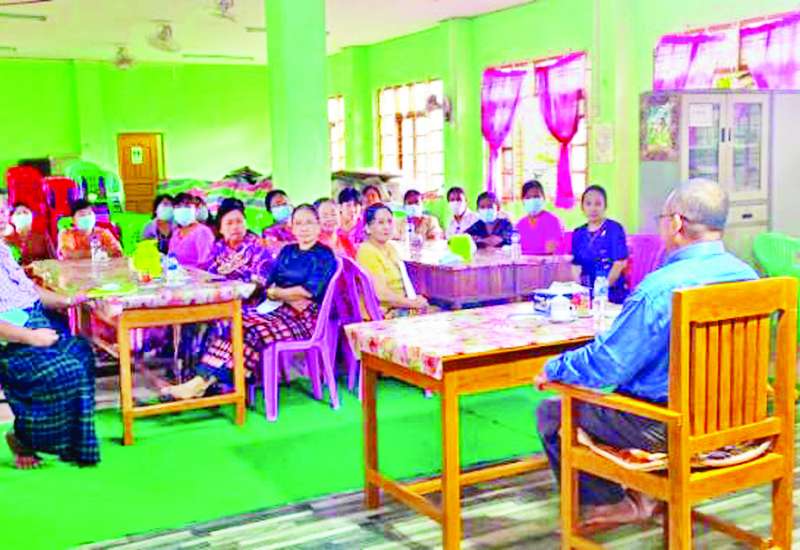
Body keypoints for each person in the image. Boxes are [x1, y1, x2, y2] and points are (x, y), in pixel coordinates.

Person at [534, 180, 757, 529]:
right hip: (740, 425)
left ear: (677, 223)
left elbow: (608, 365)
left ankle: (612, 502)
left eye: (663, 219)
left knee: (551, 412)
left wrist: (554, 367)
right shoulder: (750, 279)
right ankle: (646, 495)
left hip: (669, 428)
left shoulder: (659, 289)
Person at [162, 204, 337, 399]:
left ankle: (204, 384)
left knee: (252, 331)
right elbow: (270, 282)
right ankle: (205, 382)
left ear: (318, 225)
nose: (304, 228)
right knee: (235, 322)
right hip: (278, 310)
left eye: (309, 223)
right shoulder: (288, 251)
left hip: (306, 318)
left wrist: (279, 293)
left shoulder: (324, 255)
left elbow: (308, 292)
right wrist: (279, 294)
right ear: (292, 227)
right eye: (299, 223)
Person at [0, 200, 99, 469]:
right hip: (11, 339)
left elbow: (29, 292)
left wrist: (68, 300)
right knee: (65, 371)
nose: (2, 216)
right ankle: (24, 438)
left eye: (3, 210)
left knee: (81, 352)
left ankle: (72, 443)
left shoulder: (3, 250)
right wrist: (31, 337)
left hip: (35, 322)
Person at [357, 203, 430, 318]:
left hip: (400, 305)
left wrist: (414, 300)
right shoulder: (366, 252)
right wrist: (413, 303)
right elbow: (381, 294)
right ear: (367, 228)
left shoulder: (390, 248)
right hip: (384, 313)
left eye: (390, 221)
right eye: (381, 222)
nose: (386, 227)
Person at [206, 198, 275, 302]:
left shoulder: (258, 247)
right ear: (220, 229)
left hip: (253, 301)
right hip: (220, 300)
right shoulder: (217, 248)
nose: (235, 227)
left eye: (239, 222)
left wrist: (234, 293)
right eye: (229, 223)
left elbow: (260, 283)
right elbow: (209, 277)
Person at [571, 185, 629, 303]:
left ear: (605, 206)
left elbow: (620, 263)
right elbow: (576, 266)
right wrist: (581, 291)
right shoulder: (578, 233)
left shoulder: (615, 229)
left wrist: (601, 290)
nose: (593, 208)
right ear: (582, 207)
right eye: (588, 204)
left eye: (598, 204)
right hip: (586, 295)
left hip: (612, 293)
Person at [57, 199, 123, 261]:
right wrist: (99, 253)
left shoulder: (103, 233)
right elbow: (67, 254)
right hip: (74, 269)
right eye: (82, 215)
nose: (87, 217)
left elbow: (117, 251)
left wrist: (80, 254)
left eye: (89, 213)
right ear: (73, 220)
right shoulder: (66, 233)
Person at [516, 180, 565, 255]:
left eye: (536, 197)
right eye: (528, 198)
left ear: (543, 198)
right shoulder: (520, 224)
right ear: (523, 200)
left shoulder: (553, 221)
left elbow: (551, 252)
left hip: (546, 262)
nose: (532, 200)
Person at [167, 192, 215, 268]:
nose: (182, 209)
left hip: (197, 274)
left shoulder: (202, 232)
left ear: (195, 209)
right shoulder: (176, 233)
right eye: (178, 206)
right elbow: (170, 258)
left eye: (187, 205)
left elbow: (206, 263)